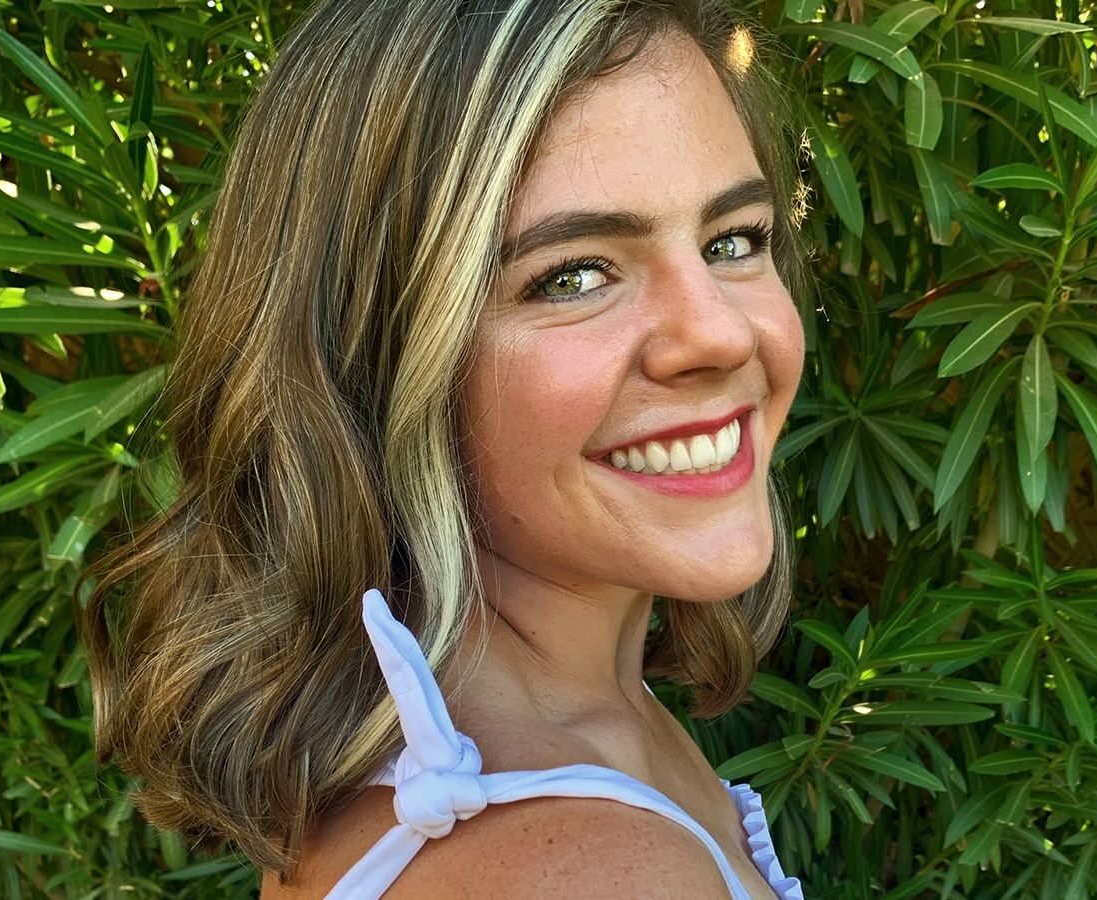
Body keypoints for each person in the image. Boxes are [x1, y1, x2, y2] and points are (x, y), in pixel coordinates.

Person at [82, 1, 807, 897]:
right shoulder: (595, 871)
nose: (720, 335)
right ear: (373, 359)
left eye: (734, 240)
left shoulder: (548, 739)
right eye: (570, 277)